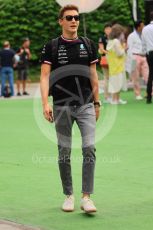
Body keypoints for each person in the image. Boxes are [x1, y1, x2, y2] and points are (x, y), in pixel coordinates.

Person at [40, 4, 101, 213]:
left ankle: (86, 197)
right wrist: (45, 103)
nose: (73, 20)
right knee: (64, 151)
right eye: (69, 18)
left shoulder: (88, 44)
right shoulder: (52, 46)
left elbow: (93, 75)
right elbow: (45, 76)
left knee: (89, 148)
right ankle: (69, 195)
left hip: (85, 105)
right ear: (61, 21)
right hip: (61, 106)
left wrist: (97, 102)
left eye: (76, 17)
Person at [127, 20, 149, 100]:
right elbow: (129, 48)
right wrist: (131, 59)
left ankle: (150, 92)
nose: (144, 26)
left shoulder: (145, 34)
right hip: (135, 56)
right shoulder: (131, 36)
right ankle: (137, 94)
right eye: (142, 25)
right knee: (135, 77)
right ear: (138, 27)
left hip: (144, 56)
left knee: (148, 75)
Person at [106, 24, 127, 104]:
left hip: (113, 65)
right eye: (121, 32)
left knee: (115, 82)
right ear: (118, 33)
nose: (122, 34)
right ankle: (115, 99)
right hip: (118, 65)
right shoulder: (116, 41)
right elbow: (119, 53)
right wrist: (124, 48)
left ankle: (116, 99)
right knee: (117, 82)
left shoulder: (110, 41)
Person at [98, 23, 112, 103]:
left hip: (113, 60)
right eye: (107, 29)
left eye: (109, 29)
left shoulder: (113, 38)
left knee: (112, 78)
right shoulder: (102, 38)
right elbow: (101, 49)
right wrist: (109, 53)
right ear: (104, 30)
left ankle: (113, 96)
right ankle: (107, 97)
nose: (108, 30)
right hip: (105, 59)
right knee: (107, 78)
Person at [142, 11, 153, 104]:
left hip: (149, 53)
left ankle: (149, 97)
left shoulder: (145, 29)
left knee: (151, 74)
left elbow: (143, 43)